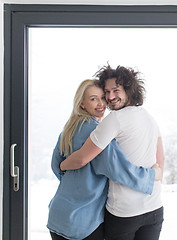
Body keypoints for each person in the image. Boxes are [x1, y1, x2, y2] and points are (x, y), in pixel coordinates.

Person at [60, 65, 164, 240]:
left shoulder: (115, 119)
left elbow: (82, 158)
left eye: (116, 90)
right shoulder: (149, 117)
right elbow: (160, 161)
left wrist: (62, 165)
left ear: (129, 90)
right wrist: (155, 175)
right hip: (154, 208)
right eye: (106, 92)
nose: (110, 97)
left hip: (125, 213)